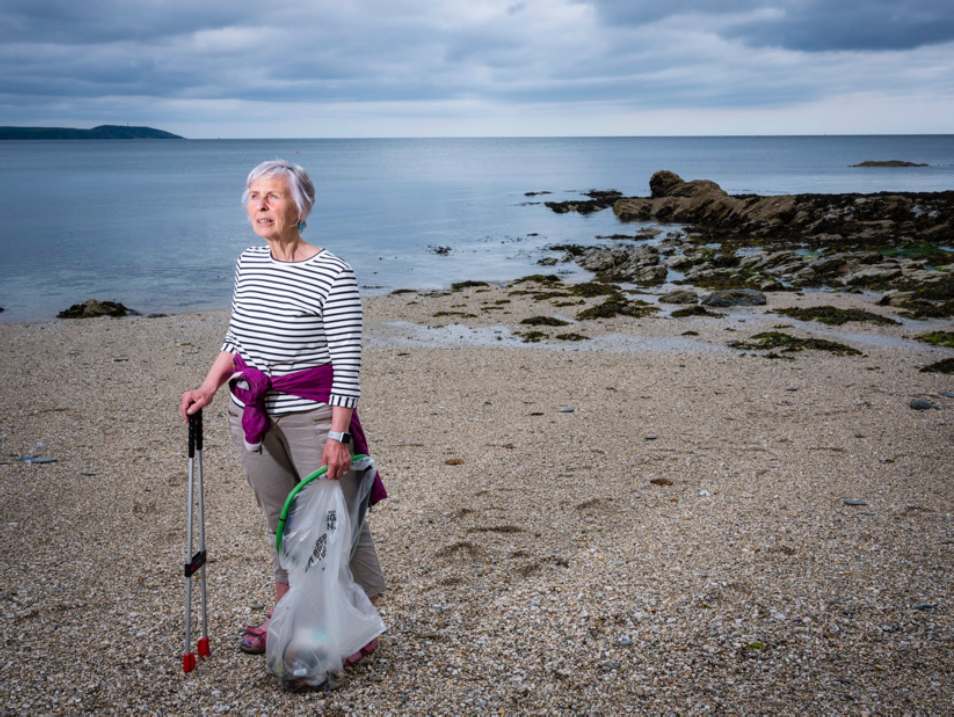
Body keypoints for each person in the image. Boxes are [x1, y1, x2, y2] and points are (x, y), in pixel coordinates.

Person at [179, 159, 386, 663]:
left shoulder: (333, 274)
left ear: (301, 207)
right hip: (249, 409)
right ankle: (285, 614)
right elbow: (238, 337)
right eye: (254, 196)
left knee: (333, 520)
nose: (261, 205)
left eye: (273, 196)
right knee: (283, 518)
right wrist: (208, 386)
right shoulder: (249, 263)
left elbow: (347, 365)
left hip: (313, 417)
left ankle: (357, 621)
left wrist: (338, 435)